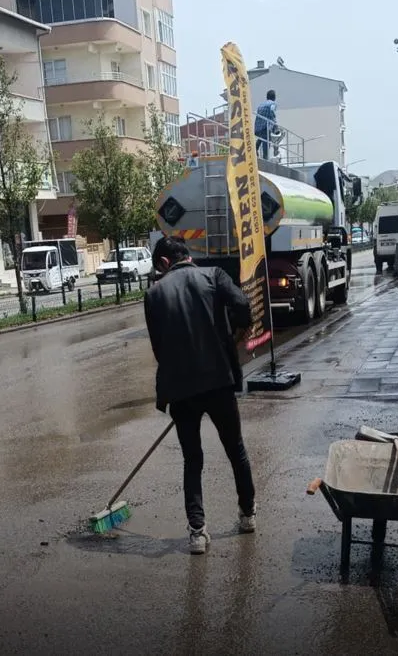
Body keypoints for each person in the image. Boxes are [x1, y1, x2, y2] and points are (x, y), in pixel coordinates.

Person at [144, 236, 256, 555]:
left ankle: (197, 532)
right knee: (236, 449)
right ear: (186, 256)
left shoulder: (153, 294)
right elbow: (243, 307)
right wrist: (234, 336)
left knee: (192, 459)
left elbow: (158, 348)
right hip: (218, 381)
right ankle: (247, 514)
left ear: (165, 263)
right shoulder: (214, 276)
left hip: (181, 391)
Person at [254, 90, 278, 161]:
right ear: (274, 97)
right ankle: (265, 158)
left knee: (262, 138)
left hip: (257, 127)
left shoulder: (261, 105)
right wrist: (275, 126)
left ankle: (255, 148)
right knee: (267, 141)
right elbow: (272, 113)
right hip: (265, 127)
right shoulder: (273, 103)